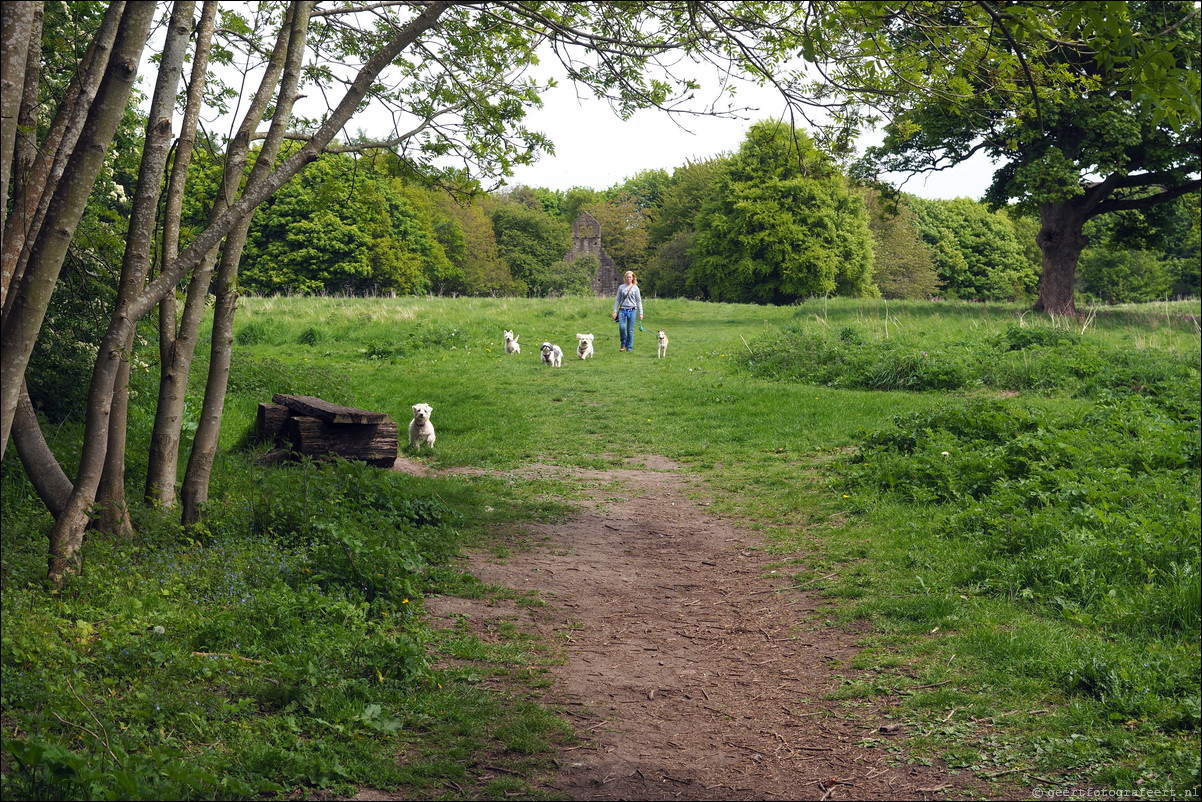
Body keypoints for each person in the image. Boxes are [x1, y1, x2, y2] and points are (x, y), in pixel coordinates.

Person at [612, 270, 643, 352]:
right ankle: (623, 343)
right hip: (622, 310)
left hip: (632, 310)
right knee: (621, 327)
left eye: (630, 277)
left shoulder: (635, 288)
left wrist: (641, 313)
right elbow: (617, 300)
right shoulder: (621, 287)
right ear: (625, 278)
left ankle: (629, 346)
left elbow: (639, 301)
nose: (628, 278)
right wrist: (615, 311)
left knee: (630, 330)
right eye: (627, 277)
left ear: (633, 278)